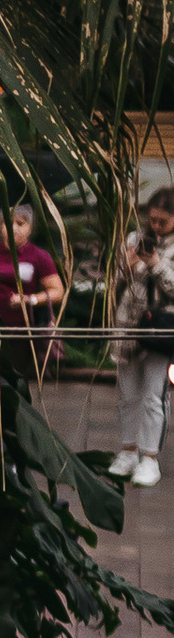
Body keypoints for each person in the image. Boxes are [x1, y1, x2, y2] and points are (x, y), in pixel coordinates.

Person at [111, 191, 174, 486]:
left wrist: (156, 264)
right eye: (153, 220)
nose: (157, 226)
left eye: (164, 221)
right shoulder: (135, 239)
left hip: (162, 330)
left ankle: (150, 458)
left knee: (153, 395)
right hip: (128, 326)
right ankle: (127, 452)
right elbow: (113, 282)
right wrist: (126, 262)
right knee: (127, 394)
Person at [0, 202, 66, 371]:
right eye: (7, 223)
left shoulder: (39, 256)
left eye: (20, 224)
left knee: (14, 374)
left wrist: (29, 300)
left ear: (30, 228)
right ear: (0, 226)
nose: (14, 229)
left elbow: (58, 292)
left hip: (22, 332)